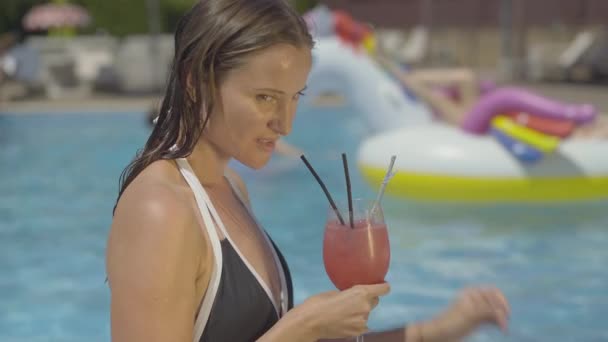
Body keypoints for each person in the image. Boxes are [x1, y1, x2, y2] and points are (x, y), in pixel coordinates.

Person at [106, 1, 510, 341]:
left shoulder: (231, 187)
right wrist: (303, 326)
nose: (284, 123)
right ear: (197, 82)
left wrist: (438, 329)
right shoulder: (160, 209)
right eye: (265, 97)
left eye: (294, 97)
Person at [376, 55, 608, 139]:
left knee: (506, 98)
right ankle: (575, 115)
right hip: (468, 122)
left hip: (475, 114)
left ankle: (576, 120)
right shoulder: (428, 94)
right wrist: (408, 74)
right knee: (481, 83)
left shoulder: (443, 91)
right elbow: (463, 76)